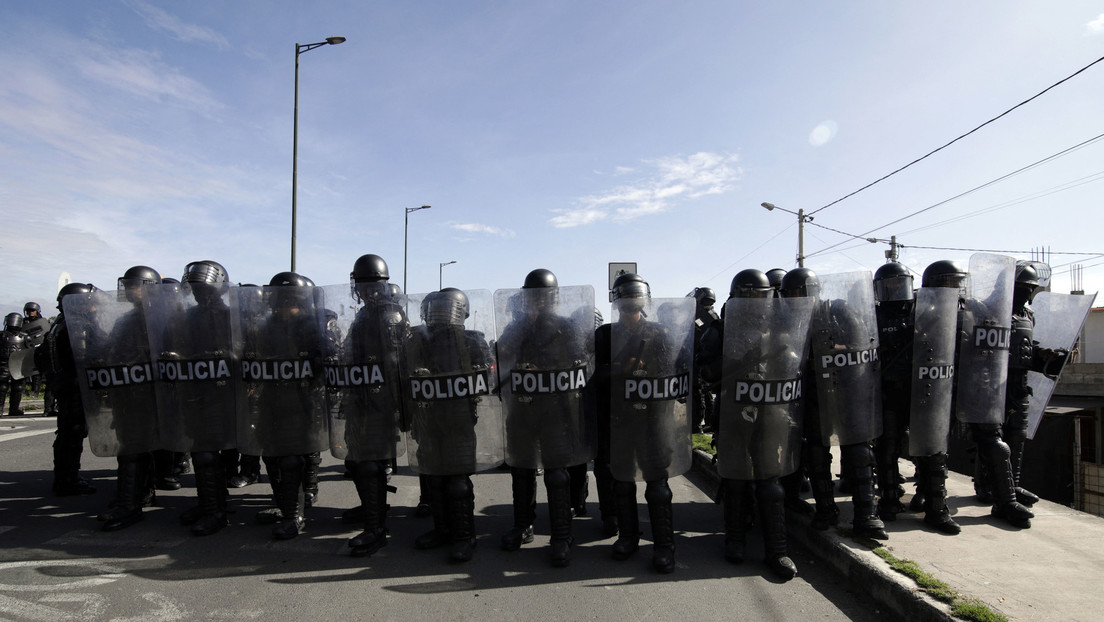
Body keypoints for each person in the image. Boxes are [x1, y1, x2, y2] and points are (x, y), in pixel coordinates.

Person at [495, 269, 594, 567]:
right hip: (522, 410)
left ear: (553, 298)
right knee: (521, 469)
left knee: (557, 473)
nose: (538, 301)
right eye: (533, 297)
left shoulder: (567, 327)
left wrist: (548, 369)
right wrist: (525, 325)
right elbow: (502, 355)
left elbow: (580, 364)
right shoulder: (516, 327)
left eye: (543, 297)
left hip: (556, 412)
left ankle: (561, 535)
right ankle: (522, 525)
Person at [604, 273, 692, 574]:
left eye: (635, 300)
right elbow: (592, 376)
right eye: (626, 300)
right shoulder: (605, 336)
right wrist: (620, 369)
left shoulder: (660, 334)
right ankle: (628, 536)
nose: (631, 306)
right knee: (622, 482)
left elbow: (679, 371)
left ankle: (664, 545)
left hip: (653, 420)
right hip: (620, 420)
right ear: (617, 303)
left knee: (657, 485)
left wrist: (651, 369)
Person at [405, 288, 501, 562]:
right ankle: (442, 529)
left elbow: (487, 379)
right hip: (428, 417)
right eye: (435, 310)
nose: (439, 315)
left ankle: (464, 536)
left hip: (458, 419)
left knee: (457, 482)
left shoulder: (472, 340)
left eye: (445, 309)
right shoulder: (419, 340)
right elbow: (405, 376)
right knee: (434, 478)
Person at [239, 272, 329, 540]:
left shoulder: (311, 327)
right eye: (278, 300)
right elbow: (249, 357)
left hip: (300, 402)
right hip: (270, 400)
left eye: (287, 300)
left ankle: (294, 516)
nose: (282, 305)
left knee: (291, 459)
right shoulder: (264, 326)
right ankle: (283, 505)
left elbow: (328, 359)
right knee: (271, 455)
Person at [949, 255, 1036, 529]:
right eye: (1022, 288)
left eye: (1030, 289)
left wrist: (1045, 356)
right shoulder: (984, 310)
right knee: (995, 444)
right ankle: (1002, 498)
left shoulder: (1027, 315)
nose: (1026, 294)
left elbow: (1025, 347)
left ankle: (1009, 489)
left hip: (1018, 386)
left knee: (1015, 440)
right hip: (988, 386)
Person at [154, 260, 239, 536]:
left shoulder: (231, 317)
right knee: (200, 452)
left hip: (220, 395)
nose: (200, 294)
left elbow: (243, 354)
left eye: (205, 289)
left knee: (206, 454)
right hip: (193, 394)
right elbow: (170, 346)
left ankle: (215, 511)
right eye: (196, 289)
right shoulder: (185, 318)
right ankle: (210, 503)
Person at [807, 269, 888, 540]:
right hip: (812, 395)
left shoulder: (838, 311)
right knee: (815, 453)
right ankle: (825, 509)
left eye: (803, 291)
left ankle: (867, 515)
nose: (800, 298)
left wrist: (834, 351)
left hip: (845, 389)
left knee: (859, 450)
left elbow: (859, 343)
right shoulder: (790, 319)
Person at [335, 255, 407, 557]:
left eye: (371, 285)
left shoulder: (389, 314)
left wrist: (395, 403)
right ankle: (371, 508)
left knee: (370, 463)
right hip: (360, 398)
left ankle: (376, 529)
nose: (366, 291)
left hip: (379, 401)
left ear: (382, 285)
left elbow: (394, 361)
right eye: (362, 286)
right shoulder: (365, 314)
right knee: (356, 460)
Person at [91, 266, 163, 531]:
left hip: (147, 394)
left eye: (136, 285)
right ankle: (139, 495)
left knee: (132, 450)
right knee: (134, 448)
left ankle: (128, 505)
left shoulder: (162, 319)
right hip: (128, 392)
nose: (130, 290)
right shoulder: (126, 319)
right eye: (128, 285)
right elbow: (112, 350)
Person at [42, 282, 98, 496]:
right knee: (73, 432)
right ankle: (68, 480)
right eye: (88, 302)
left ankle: (66, 477)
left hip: (65, 384)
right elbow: (88, 355)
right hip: (75, 385)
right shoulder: (77, 325)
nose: (93, 306)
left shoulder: (60, 323)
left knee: (67, 432)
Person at [872, 261, 914, 523]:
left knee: (927, 445)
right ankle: (888, 497)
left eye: (900, 284)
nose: (896, 289)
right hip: (887, 390)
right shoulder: (873, 315)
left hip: (917, 390)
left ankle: (929, 497)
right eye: (890, 285)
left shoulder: (919, 312)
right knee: (887, 445)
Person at [1, 313, 26, 416]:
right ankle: (13, 409)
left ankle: (13, 409)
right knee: (10, 387)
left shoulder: (24, 336)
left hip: (13, 364)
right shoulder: (2, 336)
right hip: (7, 364)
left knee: (15, 387)